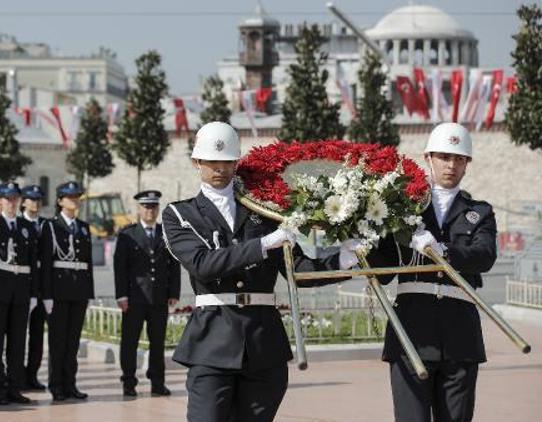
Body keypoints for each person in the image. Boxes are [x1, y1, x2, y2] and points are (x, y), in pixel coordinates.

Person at [162, 122, 361, 422]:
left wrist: (344, 260)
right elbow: (203, 264)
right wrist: (262, 245)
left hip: (263, 342)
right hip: (212, 341)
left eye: (227, 161)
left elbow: (299, 268)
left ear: (237, 162)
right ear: (196, 162)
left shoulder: (265, 212)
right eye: (212, 161)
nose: (220, 168)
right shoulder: (180, 214)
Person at [369, 123, 497, 422]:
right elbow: (385, 268)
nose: (451, 165)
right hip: (411, 331)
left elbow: (484, 256)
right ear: (428, 158)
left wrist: (444, 251)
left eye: (459, 159)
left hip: (459, 335)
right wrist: (362, 244)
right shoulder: (402, 208)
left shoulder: (479, 211)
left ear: (467, 164)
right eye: (443, 157)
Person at [115, 190, 181, 397]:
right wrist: (121, 296)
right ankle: (128, 381)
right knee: (130, 342)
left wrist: (174, 292)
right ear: (139, 209)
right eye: (146, 207)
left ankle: (157, 382)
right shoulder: (128, 234)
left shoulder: (165, 233)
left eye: (153, 207)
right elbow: (120, 268)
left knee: (158, 342)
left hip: (159, 297)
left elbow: (174, 265)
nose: (150, 211)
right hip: (134, 299)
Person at [0, 182, 39, 405]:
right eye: (8, 198)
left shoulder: (27, 227)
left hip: (21, 293)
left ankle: (15, 387)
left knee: (17, 343)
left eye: (15, 198)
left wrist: (34, 293)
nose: (12, 202)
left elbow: (33, 263)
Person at [41, 181, 94, 402]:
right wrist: (47, 295)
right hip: (59, 292)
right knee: (58, 342)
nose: (75, 201)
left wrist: (89, 293)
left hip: (78, 291)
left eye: (77, 197)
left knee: (73, 343)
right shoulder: (51, 227)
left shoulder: (83, 227)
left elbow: (87, 263)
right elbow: (45, 264)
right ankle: (56, 385)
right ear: (60, 201)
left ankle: (71, 384)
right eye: (70, 197)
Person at [21, 185, 48, 391]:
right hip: (21, 286)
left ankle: (32, 374)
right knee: (17, 334)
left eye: (38, 199)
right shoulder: (17, 224)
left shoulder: (46, 226)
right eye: (32, 199)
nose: (36, 203)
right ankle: (16, 373)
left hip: (40, 287)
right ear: (24, 201)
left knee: (37, 334)